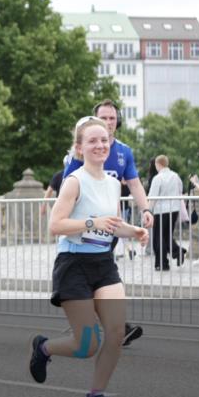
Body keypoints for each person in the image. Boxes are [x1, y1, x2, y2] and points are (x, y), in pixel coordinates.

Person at [29, 116, 149, 397]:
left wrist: (133, 231)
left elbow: (113, 224)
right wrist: (91, 222)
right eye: (92, 141)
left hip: (103, 263)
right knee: (87, 345)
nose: (100, 145)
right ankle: (44, 348)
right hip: (74, 263)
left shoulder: (112, 184)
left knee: (116, 331)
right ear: (80, 148)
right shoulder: (74, 181)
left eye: (104, 140)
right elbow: (55, 225)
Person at [63, 100, 152, 346]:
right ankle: (89, 326)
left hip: (109, 226)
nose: (109, 123)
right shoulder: (82, 153)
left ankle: (113, 327)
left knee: (104, 275)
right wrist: (89, 222)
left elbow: (134, 183)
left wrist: (144, 211)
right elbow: (64, 200)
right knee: (90, 279)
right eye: (104, 118)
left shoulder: (124, 152)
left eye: (112, 118)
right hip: (81, 231)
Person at [147, 155, 185, 270]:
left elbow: (152, 196)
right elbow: (180, 189)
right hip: (174, 209)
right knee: (167, 235)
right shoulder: (176, 176)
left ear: (158, 165)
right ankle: (177, 252)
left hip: (160, 211)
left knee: (158, 237)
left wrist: (148, 211)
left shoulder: (157, 178)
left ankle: (162, 263)